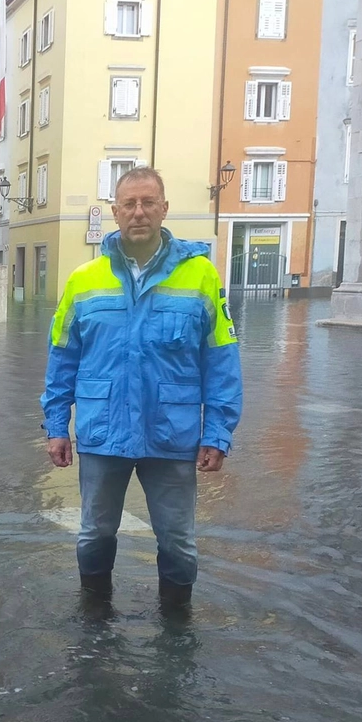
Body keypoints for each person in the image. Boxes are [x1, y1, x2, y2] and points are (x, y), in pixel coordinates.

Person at [41, 167, 242, 609]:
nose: (138, 212)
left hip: (172, 433)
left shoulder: (201, 276)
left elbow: (221, 361)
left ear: (164, 209)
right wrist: (57, 425)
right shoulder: (83, 280)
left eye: (148, 203)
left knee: (178, 540)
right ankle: (95, 619)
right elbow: (62, 359)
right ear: (115, 212)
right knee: (95, 532)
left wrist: (217, 433)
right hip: (102, 432)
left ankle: (175, 628)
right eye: (129, 204)